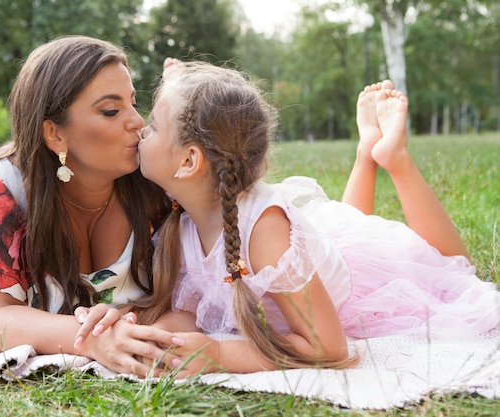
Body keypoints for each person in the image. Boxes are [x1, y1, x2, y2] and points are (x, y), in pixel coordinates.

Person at [133, 61, 500, 376]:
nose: (140, 131)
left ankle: (395, 158)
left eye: (152, 126)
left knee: (454, 271)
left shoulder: (264, 232)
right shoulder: (185, 218)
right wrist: (148, 337)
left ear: (188, 162)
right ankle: (366, 151)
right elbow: (189, 315)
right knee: (350, 223)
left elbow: (329, 347)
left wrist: (220, 355)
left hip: (356, 288)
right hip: (325, 253)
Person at [0, 36, 186, 376]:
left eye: (133, 102)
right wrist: (92, 340)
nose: (137, 122)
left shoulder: (156, 182)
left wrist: (132, 327)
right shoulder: (5, 193)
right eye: (111, 110)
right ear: (54, 134)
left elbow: (198, 293)